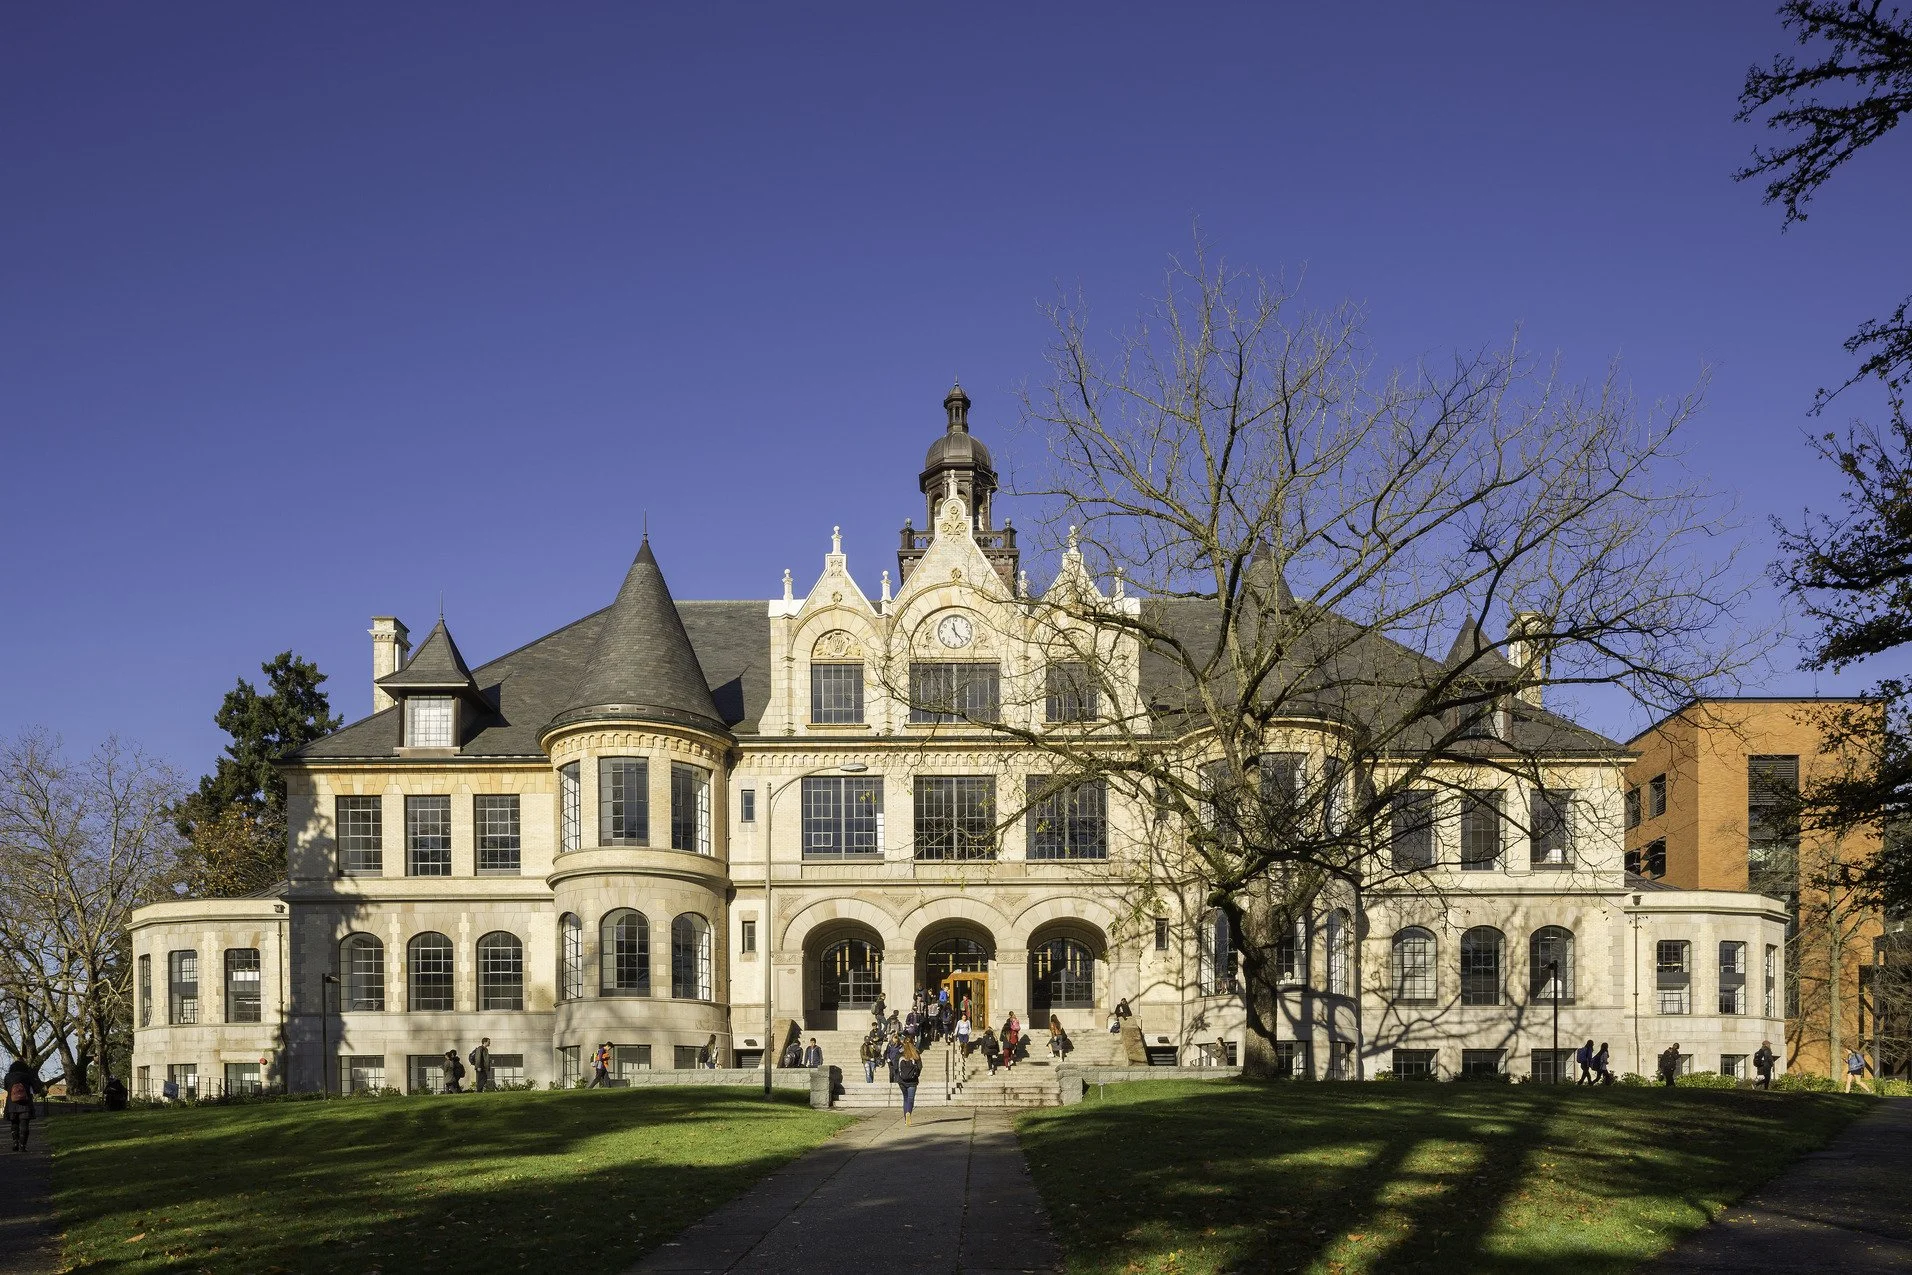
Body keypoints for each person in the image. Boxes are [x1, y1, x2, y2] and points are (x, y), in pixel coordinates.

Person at [5, 1059, 44, 1153]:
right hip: (25, 1104)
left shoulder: (8, 1077)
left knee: (14, 1124)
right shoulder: (27, 1076)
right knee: (24, 1125)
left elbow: (6, 1088)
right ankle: (22, 1146)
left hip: (12, 1104)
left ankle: (15, 1142)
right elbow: (36, 1089)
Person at [896, 1040, 922, 1125]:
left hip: (902, 1081)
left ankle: (905, 1119)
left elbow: (895, 1067)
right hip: (912, 1081)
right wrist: (916, 1075)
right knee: (910, 1099)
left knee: (905, 1098)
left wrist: (898, 1077)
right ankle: (908, 1113)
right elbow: (920, 1066)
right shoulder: (915, 1053)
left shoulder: (900, 1054)